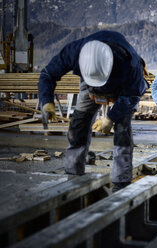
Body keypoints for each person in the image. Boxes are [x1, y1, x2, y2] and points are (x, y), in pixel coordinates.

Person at [38, 30, 148, 192]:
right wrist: (47, 101)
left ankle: (121, 181)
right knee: (78, 123)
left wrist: (110, 118)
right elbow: (47, 74)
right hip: (89, 83)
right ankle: (73, 173)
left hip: (121, 88)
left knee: (123, 128)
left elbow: (133, 94)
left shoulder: (129, 64)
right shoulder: (74, 53)